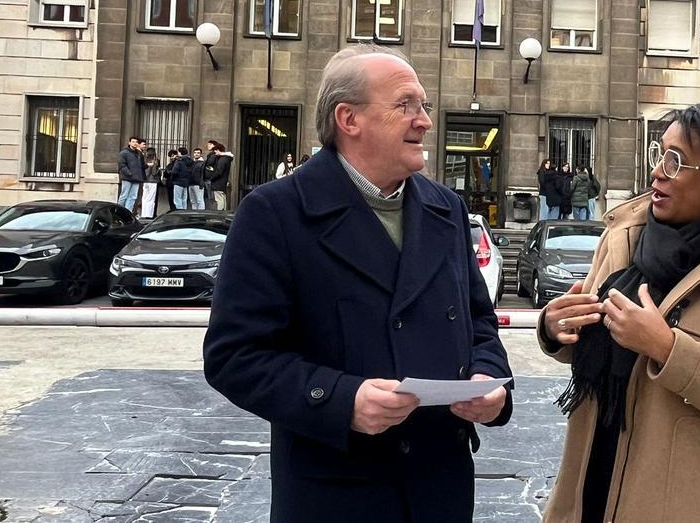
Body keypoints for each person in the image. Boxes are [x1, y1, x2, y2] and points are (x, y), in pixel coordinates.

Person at [203, 44, 513, 523]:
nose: (425, 121)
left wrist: (488, 382)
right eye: (405, 105)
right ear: (349, 119)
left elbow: (478, 321)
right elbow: (234, 357)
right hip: (338, 493)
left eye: (424, 106)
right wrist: (341, 400)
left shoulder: (447, 209)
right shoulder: (276, 213)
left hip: (440, 488)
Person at [537, 103, 700, 523]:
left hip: (687, 502)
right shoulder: (623, 236)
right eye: (659, 154)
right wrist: (555, 327)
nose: (657, 172)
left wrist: (666, 347)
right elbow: (594, 343)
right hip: (589, 486)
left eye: (676, 161)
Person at [117, 136, 145, 212]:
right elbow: (122, 165)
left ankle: (127, 212)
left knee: (133, 197)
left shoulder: (139, 154)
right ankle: (119, 211)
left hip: (136, 178)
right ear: (129, 143)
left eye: (136, 142)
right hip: (127, 178)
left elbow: (142, 165)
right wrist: (129, 173)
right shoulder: (124, 153)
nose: (135, 143)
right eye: (133, 142)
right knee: (124, 196)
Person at [206, 140, 233, 211]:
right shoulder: (227, 158)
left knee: (219, 200)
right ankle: (224, 213)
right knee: (223, 198)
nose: (214, 152)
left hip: (218, 183)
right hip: (222, 183)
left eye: (215, 151)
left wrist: (211, 178)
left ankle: (220, 215)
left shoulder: (222, 159)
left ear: (218, 150)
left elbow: (219, 171)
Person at [140, 148, 161, 219]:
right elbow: (154, 172)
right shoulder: (155, 161)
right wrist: (158, 169)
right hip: (153, 181)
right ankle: (149, 214)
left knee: (144, 198)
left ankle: (144, 214)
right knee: (151, 199)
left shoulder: (144, 160)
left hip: (145, 181)